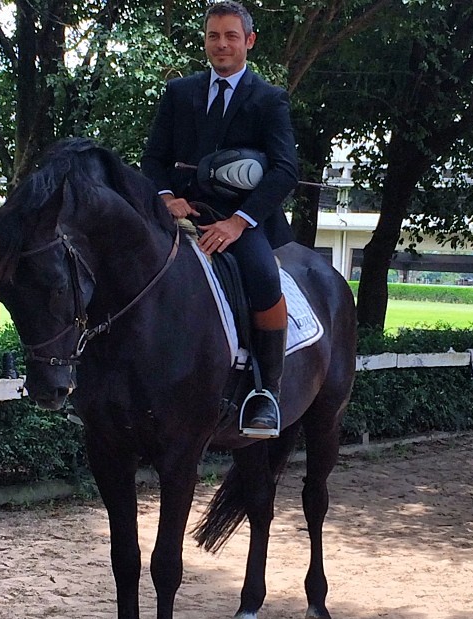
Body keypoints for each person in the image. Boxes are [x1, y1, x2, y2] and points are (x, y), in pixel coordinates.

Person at [141, 0, 299, 438]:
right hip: (181, 211)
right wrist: (167, 196)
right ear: (205, 41)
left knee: (264, 278)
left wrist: (239, 223)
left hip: (237, 221)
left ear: (248, 41)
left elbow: (286, 169)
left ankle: (267, 392)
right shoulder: (179, 93)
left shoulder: (269, 100)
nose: (222, 44)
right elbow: (153, 158)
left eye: (231, 36)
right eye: (214, 36)